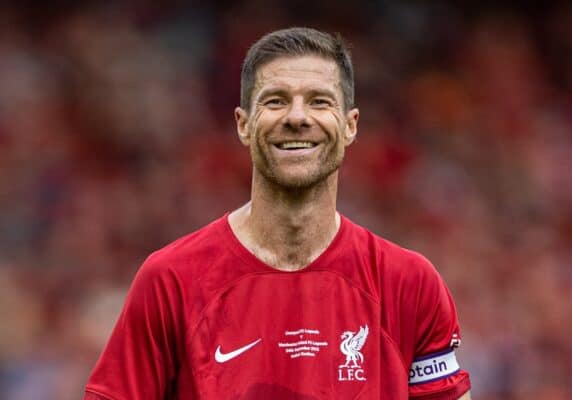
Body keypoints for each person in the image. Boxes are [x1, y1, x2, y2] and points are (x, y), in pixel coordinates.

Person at [84, 27, 472, 400]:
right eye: (276, 101)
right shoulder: (171, 281)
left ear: (351, 125)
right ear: (244, 124)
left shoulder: (408, 284)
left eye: (319, 101)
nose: (297, 117)